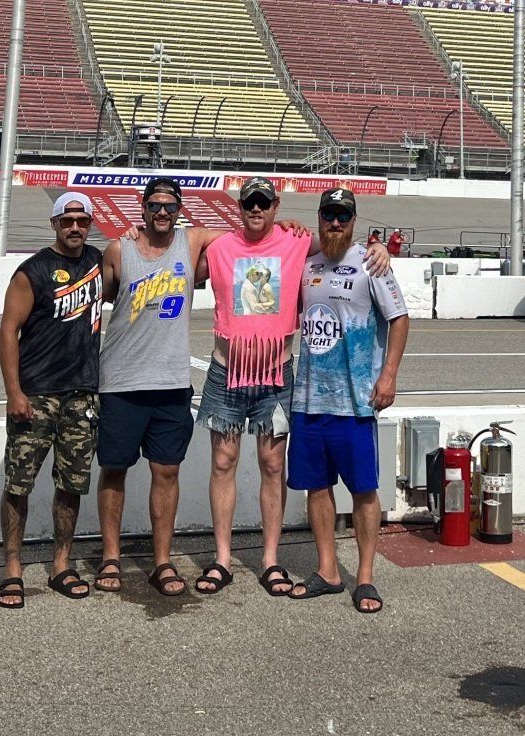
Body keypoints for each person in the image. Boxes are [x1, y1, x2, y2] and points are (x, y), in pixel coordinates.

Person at [93, 177, 220, 599]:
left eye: (169, 206)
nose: (162, 212)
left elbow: (251, 237)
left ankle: (161, 560)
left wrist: (290, 225)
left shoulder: (193, 241)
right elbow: (106, 296)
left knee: (166, 471)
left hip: (170, 382)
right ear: (142, 208)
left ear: (180, 209)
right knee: (114, 469)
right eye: (154, 205)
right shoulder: (119, 249)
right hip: (121, 381)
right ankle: (111, 555)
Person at [288, 187, 408, 614]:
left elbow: (399, 319)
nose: (335, 223)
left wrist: (388, 375)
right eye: (329, 215)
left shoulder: (371, 264)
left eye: (344, 216)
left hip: (356, 401)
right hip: (308, 399)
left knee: (363, 490)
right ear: (319, 218)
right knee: (317, 488)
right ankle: (328, 571)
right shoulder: (306, 263)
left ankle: (366, 578)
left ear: (354, 221)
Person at [195, 175, 307, 598]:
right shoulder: (221, 247)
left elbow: (337, 249)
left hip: (275, 377)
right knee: (223, 464)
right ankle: (222, 558)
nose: (256, 209)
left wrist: (374, 249)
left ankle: (270, 559)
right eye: (249, 203)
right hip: (226, 374)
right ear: (239, 207)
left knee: (273, 466)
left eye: (263, 202)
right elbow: (177, 247)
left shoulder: (297, 242)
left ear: (276, 205)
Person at [0, 191, 105, 610]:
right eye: (67, 220)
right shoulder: (32, 271)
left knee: (72, 484)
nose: (74, 227)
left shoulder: (98, 262)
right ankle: (13, 568)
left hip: (82, 394)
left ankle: (61, 563)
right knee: (19, 484)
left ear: (90, 223)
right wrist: (14, 392)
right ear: (54, 224)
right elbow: (8, 331)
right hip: (36, 394)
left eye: (81, 220)